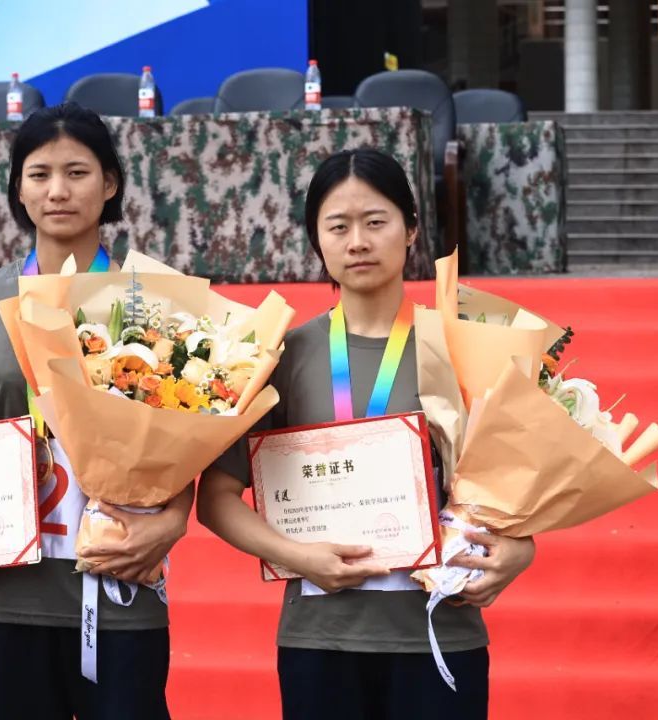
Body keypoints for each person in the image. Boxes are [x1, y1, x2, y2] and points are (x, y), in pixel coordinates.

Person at [197, 148, 536, 720]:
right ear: (317, 239)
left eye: (376, 222)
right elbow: (215, 497)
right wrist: (296, 556)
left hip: (439, 635)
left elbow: (517, 494)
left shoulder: (462, 349)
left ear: (411, 230)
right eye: (338, 226)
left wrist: (520, 552)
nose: (358, 242)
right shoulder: (280, 356)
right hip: (320, 639)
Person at [0, 103, 191, 720]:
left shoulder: (153, 301)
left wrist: (173, 521)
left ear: (110, 183)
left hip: (121, 580)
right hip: (7, 593)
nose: (57, 191)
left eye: (77, 172)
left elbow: (188, 434)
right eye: (39, 175)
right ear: (18, 188)